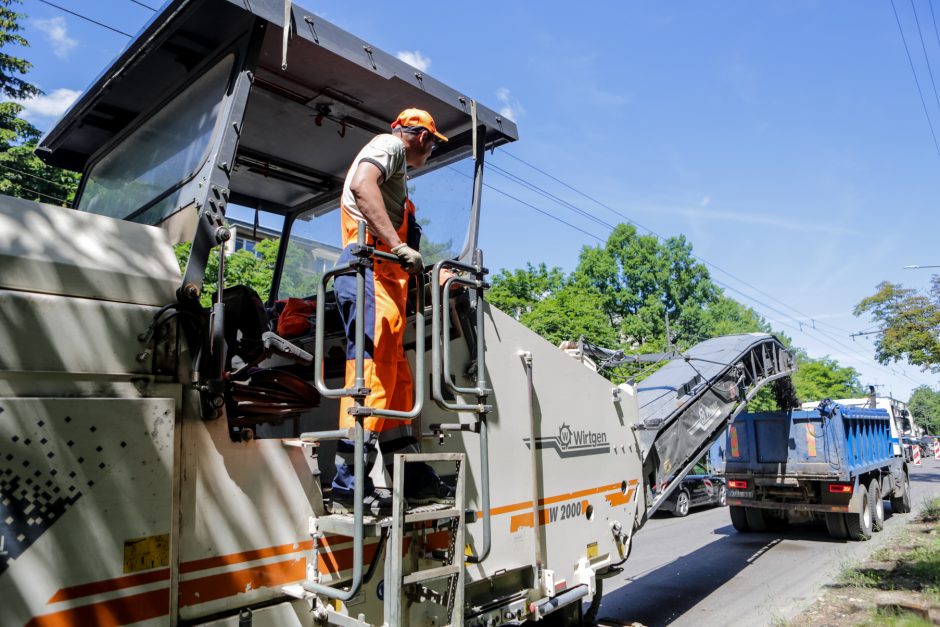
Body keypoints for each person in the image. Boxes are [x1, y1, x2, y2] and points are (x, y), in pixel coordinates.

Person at [331, 108, 455, 515]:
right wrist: (398, 247)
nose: (432, 150)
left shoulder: (400, 180)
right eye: (433, 142)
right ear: (419, 136)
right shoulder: (389, 147)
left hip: (385, 282)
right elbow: (364, 186)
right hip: (367, 270)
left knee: (397, 382)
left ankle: (413, 481)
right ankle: (348, 485)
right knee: (368, 376)